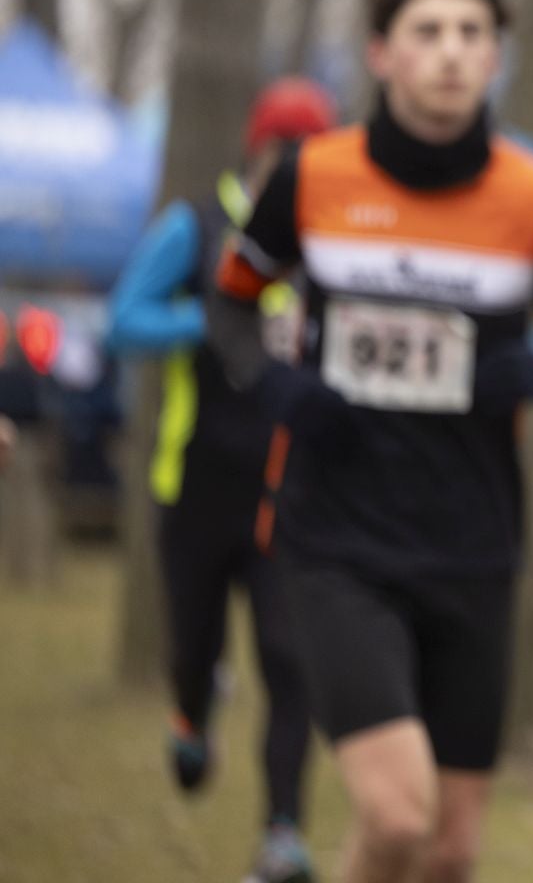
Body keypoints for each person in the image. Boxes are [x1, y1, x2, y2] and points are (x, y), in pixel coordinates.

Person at [208, 0, 533, 883]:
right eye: (427, 32)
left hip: (474, 547)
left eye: (472, 34)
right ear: (381, 53)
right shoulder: (314, 179)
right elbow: (231, 304)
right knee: (397, 818)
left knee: (449, 851)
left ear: (497, 58)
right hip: (337, 544)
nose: (451, 53)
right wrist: (277, 388)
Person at [108, 76, 336, 883]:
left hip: (288, 490)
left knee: (288, 656)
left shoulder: (328, 240)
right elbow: (123, 318)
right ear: (257, 145)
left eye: (314, 147)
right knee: (195, 642)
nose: (298, 161)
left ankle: (282, 833)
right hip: (196, 481)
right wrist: (213, 319)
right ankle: (191, 714)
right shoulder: (198, 226)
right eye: (286, 145)